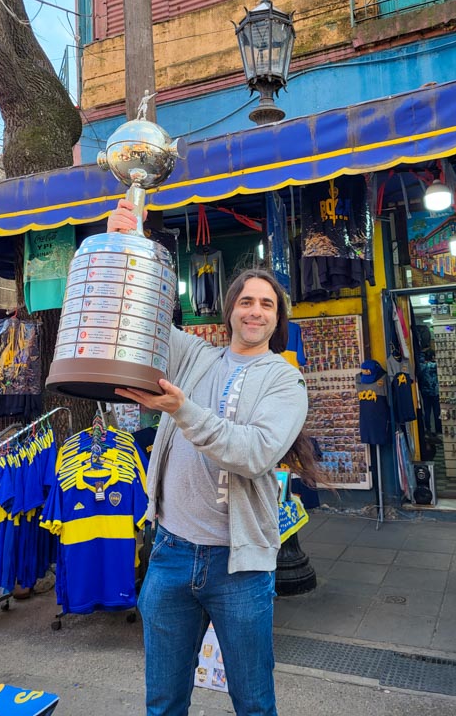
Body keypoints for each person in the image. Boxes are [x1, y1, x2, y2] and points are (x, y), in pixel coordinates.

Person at [107, 199, 323, 716]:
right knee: (163, 702)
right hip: (170, 553)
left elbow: (254, 453)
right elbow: (143, 316)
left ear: (277, 318)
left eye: (266, 304)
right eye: (246, 301)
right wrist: (125, 247)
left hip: (239, 565)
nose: (255, 311)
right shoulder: (195, 356)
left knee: (254, 703)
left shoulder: (285, 380)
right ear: (230, 310)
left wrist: (182, 410)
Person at [418, 349, 441, 435]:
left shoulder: (422, 367)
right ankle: (438, 429)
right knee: (436, 411)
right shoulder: (434, 366)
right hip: (435, 392)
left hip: (425, 392)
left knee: (427, 411)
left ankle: (428, 428)